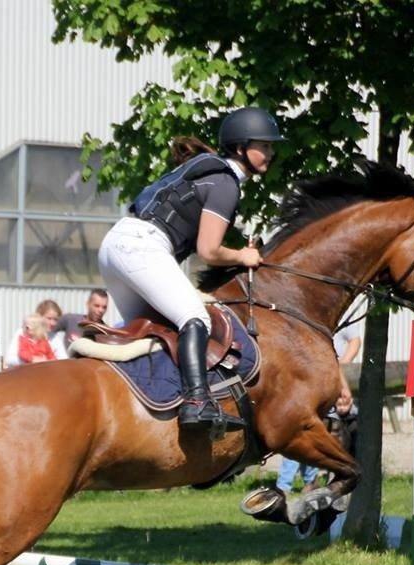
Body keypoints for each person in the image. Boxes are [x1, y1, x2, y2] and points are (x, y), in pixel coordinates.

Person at [97, 106, 284, 431]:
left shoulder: (210, 173)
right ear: (241, 147)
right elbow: (209, 251)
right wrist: (244, 257)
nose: (270, 153)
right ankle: (197, 403)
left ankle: (141, 414)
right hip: (141, 247)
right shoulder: (225, 183)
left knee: (149, 330)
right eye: (264, 145)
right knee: (195, 318)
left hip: (117, 245)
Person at [277, 320, 362, 495]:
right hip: (309, 380)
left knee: (307, 434)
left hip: (323, 379)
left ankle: (301, 482)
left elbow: (355, 340)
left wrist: (342, 364)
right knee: (301, 433)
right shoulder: (306, 321)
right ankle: (290, 483)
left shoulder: (337, 320)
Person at [6, 299, 64, 366]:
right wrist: (33, 360)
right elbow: (10, 360)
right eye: (49, 318)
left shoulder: (55, 338)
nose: (53, 323)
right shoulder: (23, 333)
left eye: (55, 319)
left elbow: (63, 360)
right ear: (39, 317)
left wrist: (49, 361)